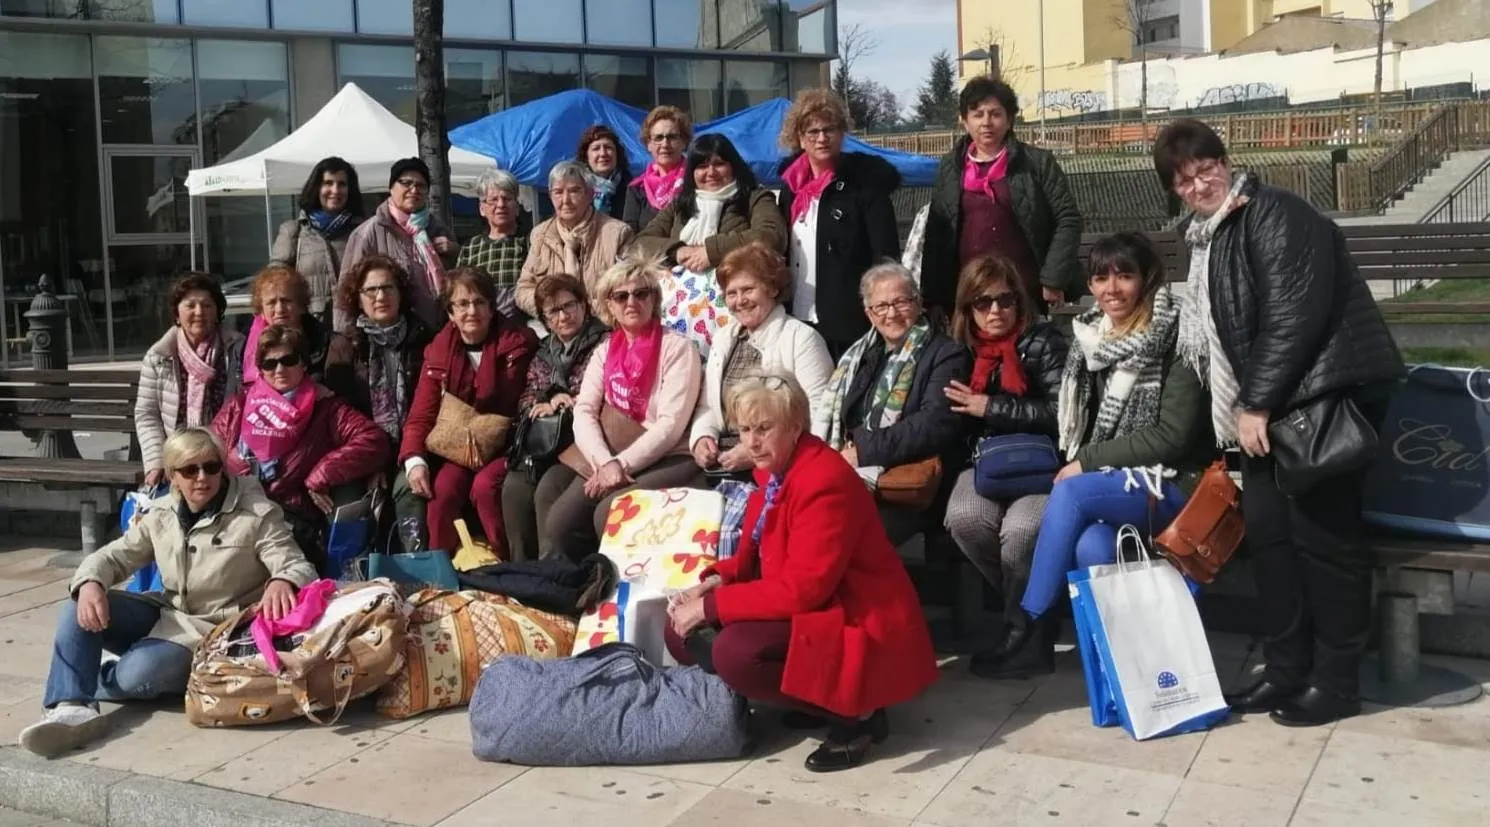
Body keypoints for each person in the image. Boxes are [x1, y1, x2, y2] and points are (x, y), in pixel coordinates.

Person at [1155, 118, 1405, 726]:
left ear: (1225, 161)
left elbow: (1293, 317)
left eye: (1205, 169)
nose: (1198, 184)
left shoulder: (1274, 214)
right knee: (1270, 541)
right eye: (1183, 180)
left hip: (1317, 402)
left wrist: (1256, 404)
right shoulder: (1211, 235)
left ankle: (1337, 682)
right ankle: (1287, 669)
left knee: (1325, 543)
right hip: (1268, 413)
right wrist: (1253, 407)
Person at [665, 371, 939, 772]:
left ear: (795, 427)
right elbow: (756, 551)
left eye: (764, 428)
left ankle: (857, 714)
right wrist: (714, 583)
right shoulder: (774, 469)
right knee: (678, 631)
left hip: (852, 613)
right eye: (745, 430)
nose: (752, 442)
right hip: (807, 599)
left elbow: (805, 589)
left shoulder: (822, 480)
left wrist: (712, 608)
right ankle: (814, 696)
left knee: (735, 653)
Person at [977, 233, 1214, 680]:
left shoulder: (1178, 335)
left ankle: (1027, 622)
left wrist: (1086, 460)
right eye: (1101, 277)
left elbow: (1173, 436)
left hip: (1171, 483)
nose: (1112, 288)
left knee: (1072, 493)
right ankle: (1126, 668)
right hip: (1119, 486)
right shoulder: (1091, 338)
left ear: (1146, 279)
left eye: (1125, 276)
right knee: (1093, 546)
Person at [18, 428, 317, 758]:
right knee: (76, 606)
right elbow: (114, 556)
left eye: (211, 467)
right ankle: (71, 706)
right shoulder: (162, 513)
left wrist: (283, 580)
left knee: (139, 674)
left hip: (213, 630)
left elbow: (295, 563)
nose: (202, 478)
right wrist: (91, 582)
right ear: (173, 476)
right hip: (167, 611)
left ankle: (101, 674)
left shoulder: (256, 513)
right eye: (190, 470)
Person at [940, 254, 1068, 674]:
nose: (995, 310)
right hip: (984, 462)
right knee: (966, 518)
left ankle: (1023, 632)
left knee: (1021, 531)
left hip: (1040, 462)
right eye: (983, 302)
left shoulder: (1044, 342)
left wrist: (990, 406)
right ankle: (1038, 609)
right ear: (967, 308)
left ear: (1019, 301)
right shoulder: (959, 350)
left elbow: (1061, 414)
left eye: (1005, 300)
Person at [546, 255, 703, 560]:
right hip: (613, 451)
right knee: (551, 501)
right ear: (610, 305)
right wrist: (605, 462)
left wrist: (621, 465)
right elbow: (584, 410)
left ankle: (605, 580)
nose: (632, 302)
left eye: (641, 293)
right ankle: (565, 576)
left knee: (606, 512)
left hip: (668, 454)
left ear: (654, 299)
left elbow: (670, 426)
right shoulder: (605, 350)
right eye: (621, 296)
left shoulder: (678, 348)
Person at [814, 263, 967, 547]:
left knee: (839, 533)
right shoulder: (860, 355)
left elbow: (935, 423)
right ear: (869, 313)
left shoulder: (946, 353)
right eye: (881, 306)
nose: (892, 313)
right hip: (852, 472)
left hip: (907, 485)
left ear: (918, 303)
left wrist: (863, 450)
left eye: (901, 302)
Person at [213, 325, 390, 571]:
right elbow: (207, 451)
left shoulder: (326, 407)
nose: (279, 369)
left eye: (288, 360)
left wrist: (323, 472)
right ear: (260, 370)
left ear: (303, 364)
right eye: (270, 364)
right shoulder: (238, 406)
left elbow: (374, 439)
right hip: (237, 510)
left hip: (291, 517)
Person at [398, 268, 539, 556]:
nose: (471, 311)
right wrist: (414, 460)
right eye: (462, 304)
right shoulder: (438, 352)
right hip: (461, 447)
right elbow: (421, 413)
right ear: (450, 312)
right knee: (442, 494)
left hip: (510, 444)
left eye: (479, 302)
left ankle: (508, 564)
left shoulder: (519, 343)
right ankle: (440, 571)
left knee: (486, 489)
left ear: (491, 307)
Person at [918, 76, 1082, 318]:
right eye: (978, 114)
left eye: (995, 114)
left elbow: (1068, 219)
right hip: (969, 293)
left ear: (1009, 119)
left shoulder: (1037, 163)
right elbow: (937, 231)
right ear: (964, 121)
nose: (986, 122)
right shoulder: (950, 167)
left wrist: (1053, 279)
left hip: (1025, 290)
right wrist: (932, 296)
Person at [634, 133, 788, 356]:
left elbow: (771, 236)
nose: (711, 172)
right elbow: (640, 243)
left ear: (733, 166)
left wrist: (711, 251)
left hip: (736, 313)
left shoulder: (754, 198)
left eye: (719, 164)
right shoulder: (681, 205)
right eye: (702, 166)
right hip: (677, 322)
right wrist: (678, 251)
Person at [691, 242, 833, 477]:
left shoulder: (802, 339)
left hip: (779, 469)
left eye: (748, 289)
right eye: (732, 293)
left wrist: (756, 451)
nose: (740, 300)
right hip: (720, 464)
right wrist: (702, 438)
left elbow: (819, 416)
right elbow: (708, 405)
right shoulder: (722, 338)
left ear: (772, 289)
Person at [777, 88, 901, 358]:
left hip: (848, 320)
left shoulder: (865, 185)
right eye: (813, 132)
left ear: (841, 133)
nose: (822, 138)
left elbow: (885, 254)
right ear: (800, 138)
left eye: (829, 129)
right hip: (798, 316)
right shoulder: (792, 187)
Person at [323, 255, 435, 545]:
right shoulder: (344, 346)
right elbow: (340, 415)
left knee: (411, 490)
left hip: (412, 448)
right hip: (361, 452)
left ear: (401, 293)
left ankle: (415, 567)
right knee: (348, 501)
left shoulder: (423, 338)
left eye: (387, 288)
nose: (380, 296)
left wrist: (409, 455)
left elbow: (431, 405)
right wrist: (372, 461)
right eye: (371, 290)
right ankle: (355, 571)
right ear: (358, 298)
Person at [500, 273, 609, 561]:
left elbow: (606, 394)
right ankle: (522, 569)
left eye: (569, 305)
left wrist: (567, 402)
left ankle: (554, 568)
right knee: (513, 488)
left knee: (548, 489)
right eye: (553, 311)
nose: (563, 316)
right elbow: (527, 397)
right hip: (546, 442)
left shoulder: (605, 343)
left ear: (584, 305)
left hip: (583, 443)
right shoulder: (544, 352)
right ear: (545, 319)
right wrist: (545, 400)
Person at [135, 273, 243, 490]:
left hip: (226, 457)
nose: (199, 312)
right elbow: (147, 414)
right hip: (178, 460)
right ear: (177, 312)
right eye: (190, 305)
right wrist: (156, 463)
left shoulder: (237, 349)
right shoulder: (159, 356)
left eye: (207, 305)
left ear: (218, 311)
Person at [341, 158, 459, 331]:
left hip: (439, 330)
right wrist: (346, 336)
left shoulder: (438, 229)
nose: (414, 190)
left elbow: (458, 284)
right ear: (391, 187)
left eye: (421, 185)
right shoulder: (369, 233)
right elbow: (347, 293)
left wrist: (456, 252)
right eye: (406, 183)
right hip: (386, 335)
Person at [515, 161, 635, 319]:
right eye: (558, 192)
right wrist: (552, 309)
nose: (565, 200)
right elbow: (523, 289)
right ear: (550, 196)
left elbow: (628, 290)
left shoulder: (618, 234)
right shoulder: (540, 235)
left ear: (590, 194)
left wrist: (582, 311)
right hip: (555, 324)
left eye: (574, 191)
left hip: (602, 324)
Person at [270, 157, 367, 318]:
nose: (335, 190)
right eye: (328, 183)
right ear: (316, 187)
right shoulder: (293, 231)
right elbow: (275, 284)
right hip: (309, 326)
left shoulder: (363, 231)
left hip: (354, 324)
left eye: (342, 184)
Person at [236, 265, 331, 392]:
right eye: (271, 303)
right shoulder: (243, 347)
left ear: (301, 306)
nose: (280, 309)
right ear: (261, 310)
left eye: (286, 301)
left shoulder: (329, 345)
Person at [455, 168, 532, 319]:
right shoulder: (470, 248)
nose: (501, 205)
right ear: (482, 208)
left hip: (520, 325)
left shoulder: (531, 241)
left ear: (517, 207)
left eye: (507, 198)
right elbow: (459, 291)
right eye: (493, 200)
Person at [622, 105, 692, 233]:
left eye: (672, 137)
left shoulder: (695, 181)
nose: (665, 144)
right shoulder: (637, 189)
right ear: (649, 144)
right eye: (658, 138)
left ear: (683, 142)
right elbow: (630, 234)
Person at [576, 124, 632, 221]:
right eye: (596, 148)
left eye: (608, 147)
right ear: (586, 156)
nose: (603, 153)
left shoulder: (633, 189)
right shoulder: (576, 189)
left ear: (617, 153)